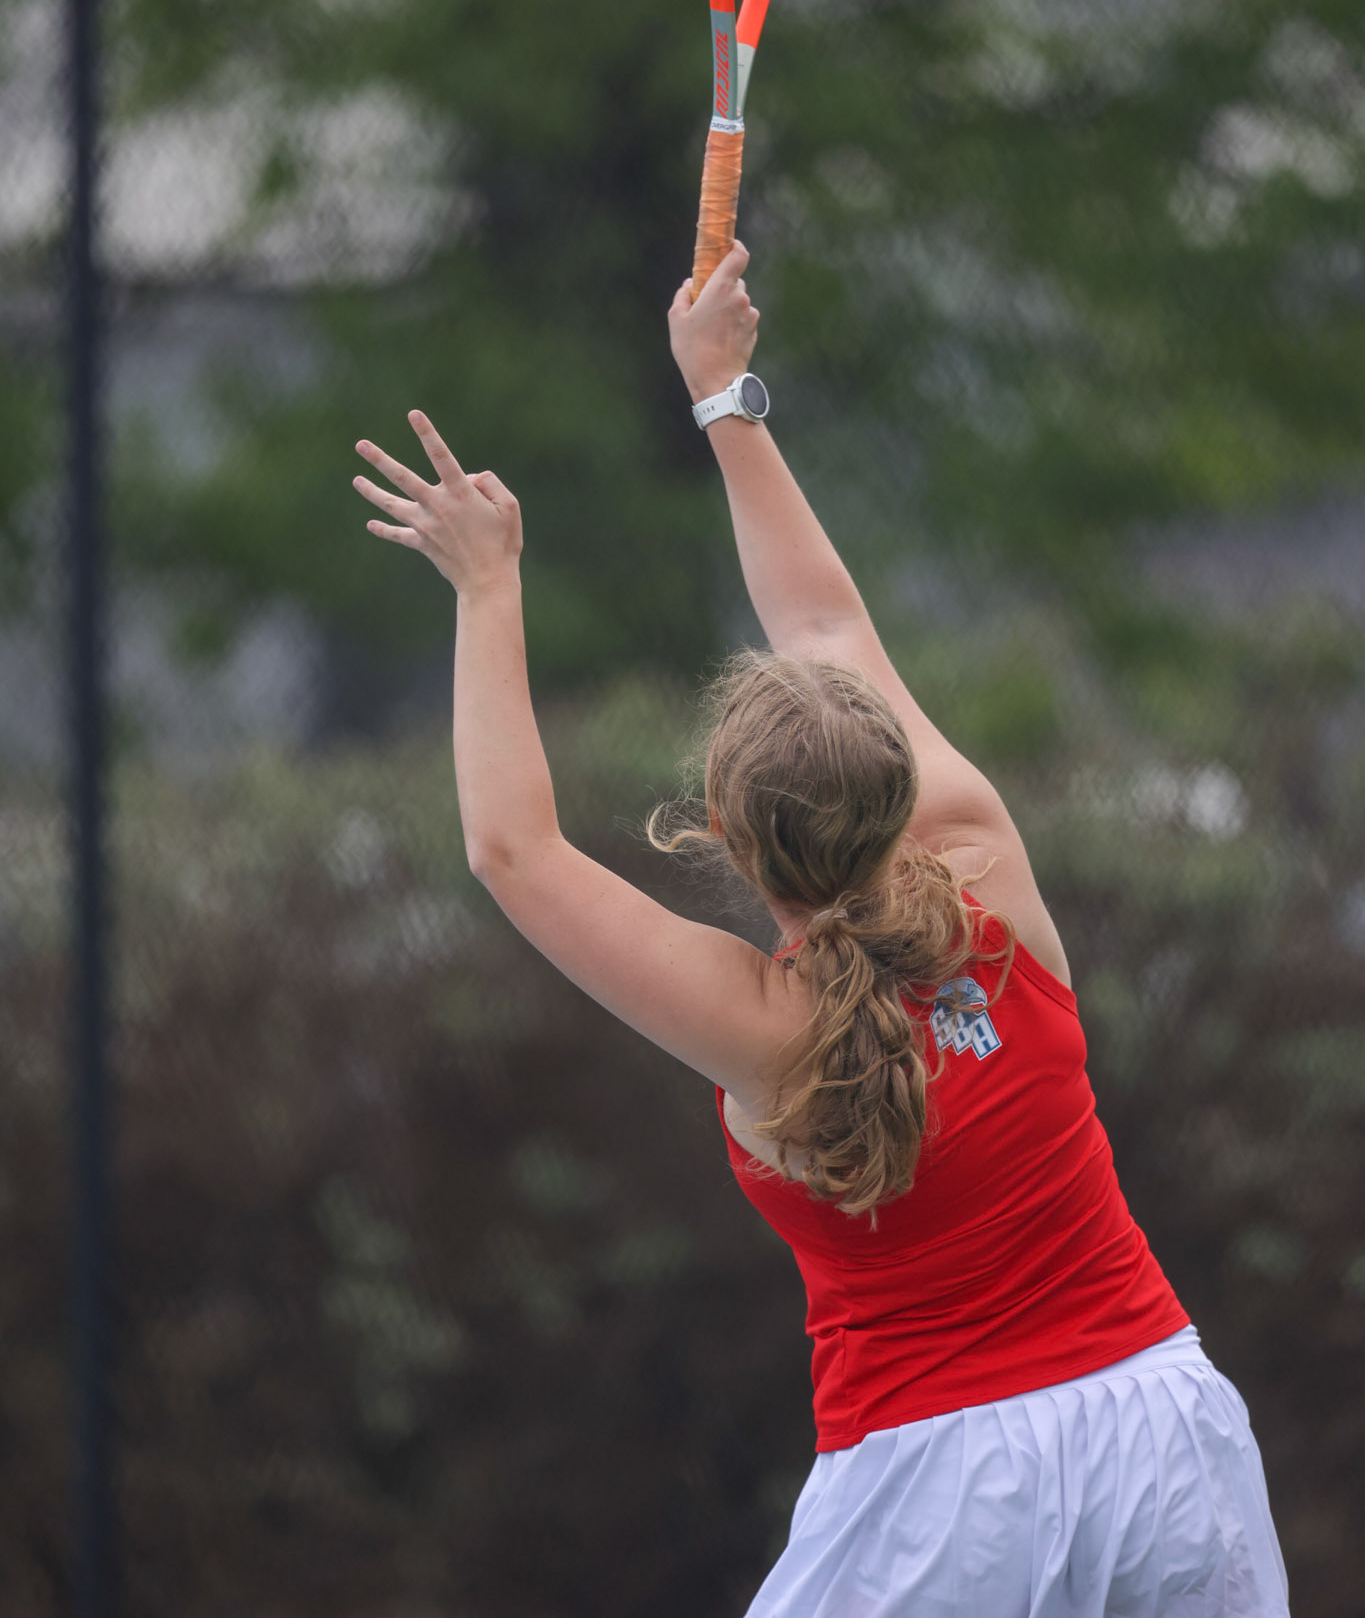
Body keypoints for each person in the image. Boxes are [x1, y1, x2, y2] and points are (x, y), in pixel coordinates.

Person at [352, 242, 1290, 1617]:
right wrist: (720, 391)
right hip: (1165, 1434)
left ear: (730, 842)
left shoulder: (763, 1026)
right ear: (899, 790)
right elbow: (827, 618)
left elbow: (512, 851)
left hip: (936, 1503)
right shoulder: (982, 871)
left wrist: (489, 588)